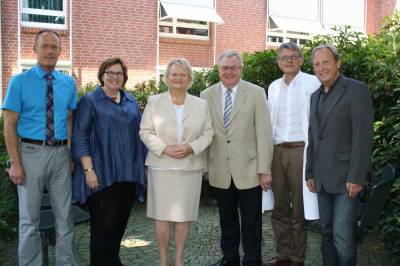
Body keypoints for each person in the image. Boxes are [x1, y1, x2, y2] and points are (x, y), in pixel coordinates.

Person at [3, 29, 78, 265]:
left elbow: (69, 120)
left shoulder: (68, 83)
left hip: (60, 155)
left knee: (65, 216)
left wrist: (71, 153)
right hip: (30, 155)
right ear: (34, 49)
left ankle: (66, 262)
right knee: (29, 219)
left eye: (54, 47)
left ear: (59, 51)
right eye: (44, 46)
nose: (49, 51)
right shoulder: (19, 82)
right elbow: (9, 124)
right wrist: (15, 162)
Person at [201, 50, 273, 266]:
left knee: (251, 220)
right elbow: (204, 132)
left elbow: (264, 132)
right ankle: (230, 258)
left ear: (241, 69)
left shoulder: (256, 92)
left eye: (234, 67)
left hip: (250, 169)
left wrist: (265, 169)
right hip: (219, 168)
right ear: (219, 70)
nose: (229, 72)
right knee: (226, 219)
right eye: (225, 68)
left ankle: (252, 259)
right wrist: (204, 167)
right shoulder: (206, 95)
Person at [72, 57, 146, 266]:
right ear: (102, 76)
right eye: (110, 73)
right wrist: (88, 170)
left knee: (119, 223)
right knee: (103, 227)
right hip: (102, 173)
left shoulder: (130, 101)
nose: (115, 77)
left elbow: (141, 133)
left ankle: (113, 260)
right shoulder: (90, 101)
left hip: (128, 173)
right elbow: (80, 136)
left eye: (119, 73)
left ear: (124, 77)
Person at [139, 58, 213, 266]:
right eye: (174, 74)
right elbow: (145, 131)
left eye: (183, 74)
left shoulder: (201, 104)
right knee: (161, 216)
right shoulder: (154, 102)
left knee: (184, 216)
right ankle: (163, 260)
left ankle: (179, 259)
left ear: (189, 79)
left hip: (190, 167)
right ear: (166, 78)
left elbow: (208, 133)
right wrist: (165, 148)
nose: (178, 78)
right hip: (161, 166)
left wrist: (191, 147)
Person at [306, 44, 374, 265]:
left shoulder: (356, 90)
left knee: (343, 237)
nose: (321, 67)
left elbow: (363, 137)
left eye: (325, 62)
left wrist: (356, 177)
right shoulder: (315, 96)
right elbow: (313, 137)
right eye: (316, 64)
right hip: (322, 178)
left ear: (338, 63)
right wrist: (309, 172)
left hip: (347, 180)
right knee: (326, 233)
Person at [264, 43, 320, 266]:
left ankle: (297, 257)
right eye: (284, 57)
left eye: (293, 57)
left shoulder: (312, 83)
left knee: (298, 206)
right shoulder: (273, 87)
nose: (289, 61)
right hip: (277, 150)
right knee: (279, 207)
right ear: (278, 62)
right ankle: (283, 254)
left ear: (301, 60)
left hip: (301, 151)